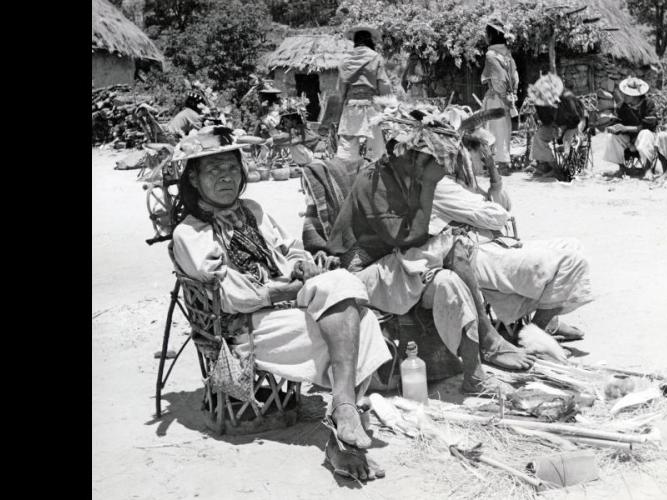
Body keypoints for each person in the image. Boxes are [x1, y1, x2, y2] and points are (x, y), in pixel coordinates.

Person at [170, 127, 391, 482]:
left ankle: (343, 415)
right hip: (247, 327)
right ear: (194, 179)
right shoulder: (191, 232)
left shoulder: (253, 211)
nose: (226, 177)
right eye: (213, 170)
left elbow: (290, 249)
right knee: (358, 323)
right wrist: (280, 292)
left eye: (231, 168)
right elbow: (229, 296)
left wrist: (301, 265)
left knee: (347, 296)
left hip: (287, 308)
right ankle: (345, 417)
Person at [327, 113, 537, 397]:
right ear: (411, 155)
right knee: (454, 249)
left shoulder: (407, 176)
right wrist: (428, 186)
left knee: (450, 279)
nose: (440, 167)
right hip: (363, 273)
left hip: (396, 264)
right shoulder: (374, 180)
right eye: (433, 160)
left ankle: (475, 372)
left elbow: (414, 234)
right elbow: (401, 236)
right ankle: (488, 340)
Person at [430, 122, 593, 352]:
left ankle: (547, 322)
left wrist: (495, 177)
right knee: (573, 263)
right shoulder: (444, 186)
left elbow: (501, 209)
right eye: (486, 155)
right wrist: (491, 211)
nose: (490, 160)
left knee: (573, 246)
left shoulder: (467, 182)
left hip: (495, 244)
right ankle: (533, 336)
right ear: (469, 152)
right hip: (478, 253)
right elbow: (497, 216)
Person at [335, 25, 392, 162]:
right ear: (370, 41)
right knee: (376, 148)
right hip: (371, 107)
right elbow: (384, 84)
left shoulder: (345, 60)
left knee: (347, 148)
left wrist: (341, 108)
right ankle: (374, 177)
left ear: (355, 41)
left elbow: (341, 90)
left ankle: (346, 176)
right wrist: (387, 106)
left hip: (351, 107)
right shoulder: (376, 58)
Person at [527, 74, 586, 180]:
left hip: (575, 123)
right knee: (539, 135)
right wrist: (553, 126)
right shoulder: (540, 101)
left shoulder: (567, 98)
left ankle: (566, 169)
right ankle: (552, 167)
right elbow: (546, 121)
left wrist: (562, 128)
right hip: (557, 124)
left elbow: (576, 119)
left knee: (566, 141)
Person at [481, 18, 519, 177]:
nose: (485, 36)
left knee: (494, 130)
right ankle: (504, 162)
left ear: (492, 35)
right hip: (507, 98)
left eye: (487, 33)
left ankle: (497, 164)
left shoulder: (491, 55)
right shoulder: (507, 54)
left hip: (497, 97)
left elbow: (498, 79)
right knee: (504, 129)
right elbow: (515, 76)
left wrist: (502, 95)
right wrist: (511, 96)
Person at [603, 76, 659, 179]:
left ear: (635, 96)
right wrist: (614, 127)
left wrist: (626, 128)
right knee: (612, 137)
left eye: (627, 94)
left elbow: (649, 124)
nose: (624, 95)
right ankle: (622, 168)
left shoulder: (648, 104)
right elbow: (617, 121)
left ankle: (647, 169)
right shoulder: (622, 106)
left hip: (645, 137)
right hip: (628, 139)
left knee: (645, 134)